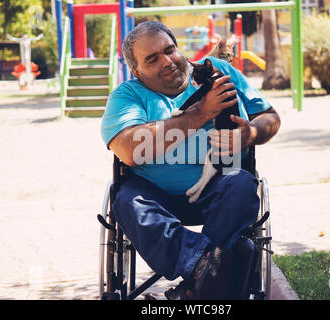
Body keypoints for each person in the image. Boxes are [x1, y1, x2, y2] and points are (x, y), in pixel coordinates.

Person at [100, 21, 280, 299]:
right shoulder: (128, 95)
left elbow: (270, 117)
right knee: (127, 201)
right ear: (136, 71)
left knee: (242, 184)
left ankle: (195, 289)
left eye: (169, 50)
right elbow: (128, 149)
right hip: (154, 196)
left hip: (219, 187)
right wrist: (199, 114)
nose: (168, 61)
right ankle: (207, 265)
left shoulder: (220, 72)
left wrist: (251, 134)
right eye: (152, 59)